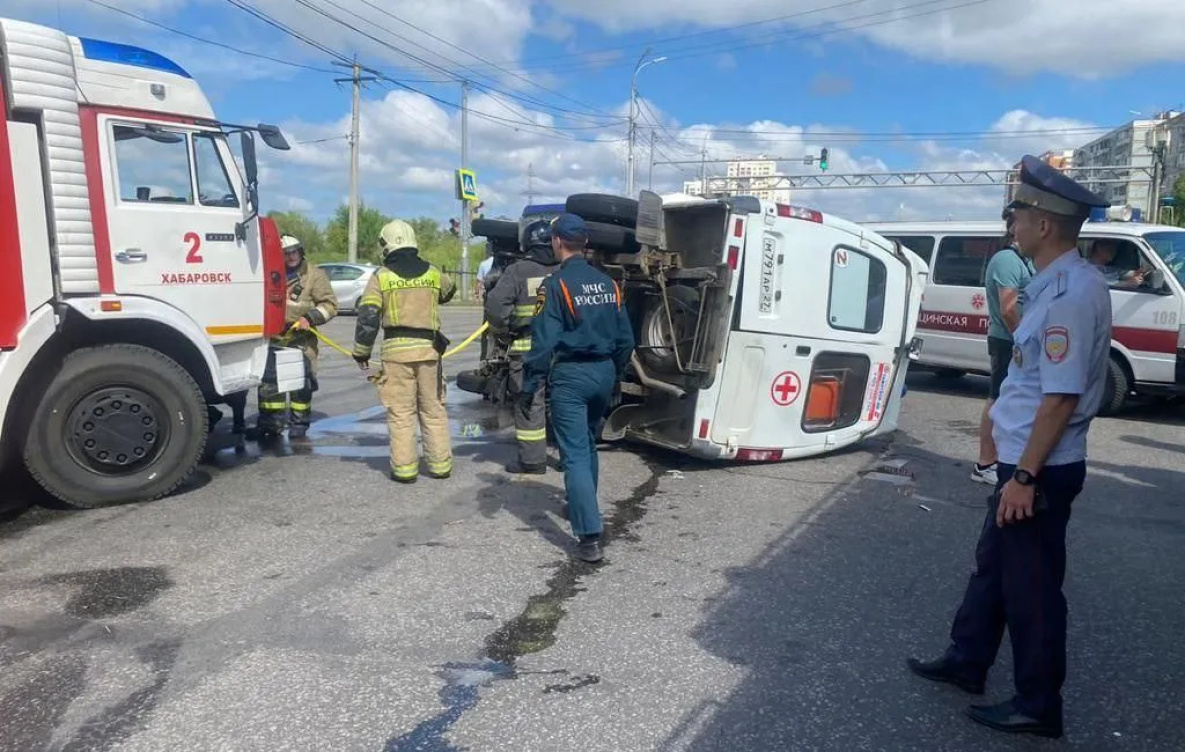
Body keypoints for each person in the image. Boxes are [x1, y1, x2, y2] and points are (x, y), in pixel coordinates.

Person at [907, 155, 1112, 740]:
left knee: (1033, 590)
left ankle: (1038, 705)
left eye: (1017, 214)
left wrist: (1023, 478)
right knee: (994, 568)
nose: (1012, 223)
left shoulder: (1069, 295)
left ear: (1043, 223)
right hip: (1023, 463)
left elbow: (1060, 398)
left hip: (1037, 469)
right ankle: (967, 660)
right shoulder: (1055, 284)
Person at [522, 213, 635, 563]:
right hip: (604, 372)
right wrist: (615, 375)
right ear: (585, 243)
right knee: (586, 443)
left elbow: (543, 342)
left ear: (557, 241)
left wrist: (530, 383)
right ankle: (582, 505)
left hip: (571, 375)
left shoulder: (555, 285)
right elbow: (626, 339)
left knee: (573, 454)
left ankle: (589, 536)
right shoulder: (609, 284)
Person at [352, 220, 457, 484]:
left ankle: (405, 469)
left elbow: (368, 317)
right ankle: (440, 466)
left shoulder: (381, 276)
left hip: (396, 355)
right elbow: (449, 292)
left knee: (401, 413)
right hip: (429, 353)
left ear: (386, 245)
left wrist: (361, 352)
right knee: (433, 409)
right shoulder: (433, 272)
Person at [485, 218, 561, 474]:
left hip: (527, 349)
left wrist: (502, 334)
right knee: (564, 403)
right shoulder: (565, 268)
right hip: (563, 350)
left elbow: (496, 307)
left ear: (527, 243)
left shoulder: (518, 271)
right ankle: (569, 458)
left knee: (530, 404)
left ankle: (532, 461)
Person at [251, 234, 338, 442]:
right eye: (286, 253)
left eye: (294, 252)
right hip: (273, 338)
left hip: (301, 340)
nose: (290, 257)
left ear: (301, 252)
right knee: (270, 385)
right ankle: (271, 424)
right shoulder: (272, 273)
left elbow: (330, 305)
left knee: (301, 384)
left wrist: (311, 317)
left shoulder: (314, 275)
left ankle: (299, 424)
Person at [972, 211, 1035, 485]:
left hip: (1016, 338)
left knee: (1009, 399)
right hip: (1008, 339)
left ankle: (1002, 458)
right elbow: (1008, 309)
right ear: (1013, 229)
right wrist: (1023, 340)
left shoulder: (1024, 260)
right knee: (997, 398)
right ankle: (985, 463)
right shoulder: (1007, 260)